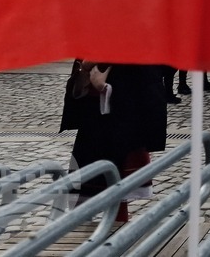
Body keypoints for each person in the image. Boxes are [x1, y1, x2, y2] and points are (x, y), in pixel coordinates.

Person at [61, 62, 167, 221]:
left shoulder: (135, 52)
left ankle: (117, 229)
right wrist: (85, 70)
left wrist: (104, 87)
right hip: (92, 124)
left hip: (123, 124)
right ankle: (82, 229)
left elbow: (146, 84)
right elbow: (78, 84)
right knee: (85, 186)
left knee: (117, 184)